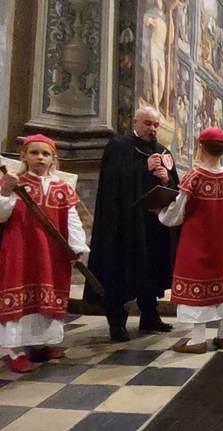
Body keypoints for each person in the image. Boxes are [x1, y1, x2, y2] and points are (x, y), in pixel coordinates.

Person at [86, 107, 179, 342]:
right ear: (135, 122)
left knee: (151, 269)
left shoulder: (162, 151)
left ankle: (150, 316)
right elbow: (111, 180)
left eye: (156, 125)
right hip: (124, 224)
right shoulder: (119, 146)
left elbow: (174, 186)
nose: (153, 129)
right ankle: (117, 323)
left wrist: (166, 178)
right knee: (121, 270)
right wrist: (143, 168)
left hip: (152, 224)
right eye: (147, 123)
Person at [0, 134, 88, 373]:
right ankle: (13, 350)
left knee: (48, 294)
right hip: (21, 249)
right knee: (18, 296)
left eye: (45, 153)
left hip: (52, 252)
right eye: (34, 152)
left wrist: (77, 247)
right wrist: (5, 191)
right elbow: (2, 215)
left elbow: (72, 219)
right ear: (24, 156)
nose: (40, 157)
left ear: (53, 159)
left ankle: (41, 343)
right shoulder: (15, 184)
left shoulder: (62, 188)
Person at [158, 127, 223, 353]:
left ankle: (198, 340)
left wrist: (161, 213)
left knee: (196, 289)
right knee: (220, 287)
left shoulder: (195, 176)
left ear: (200, 147)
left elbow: (177, 212)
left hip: (195, 242)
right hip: (219, 244)